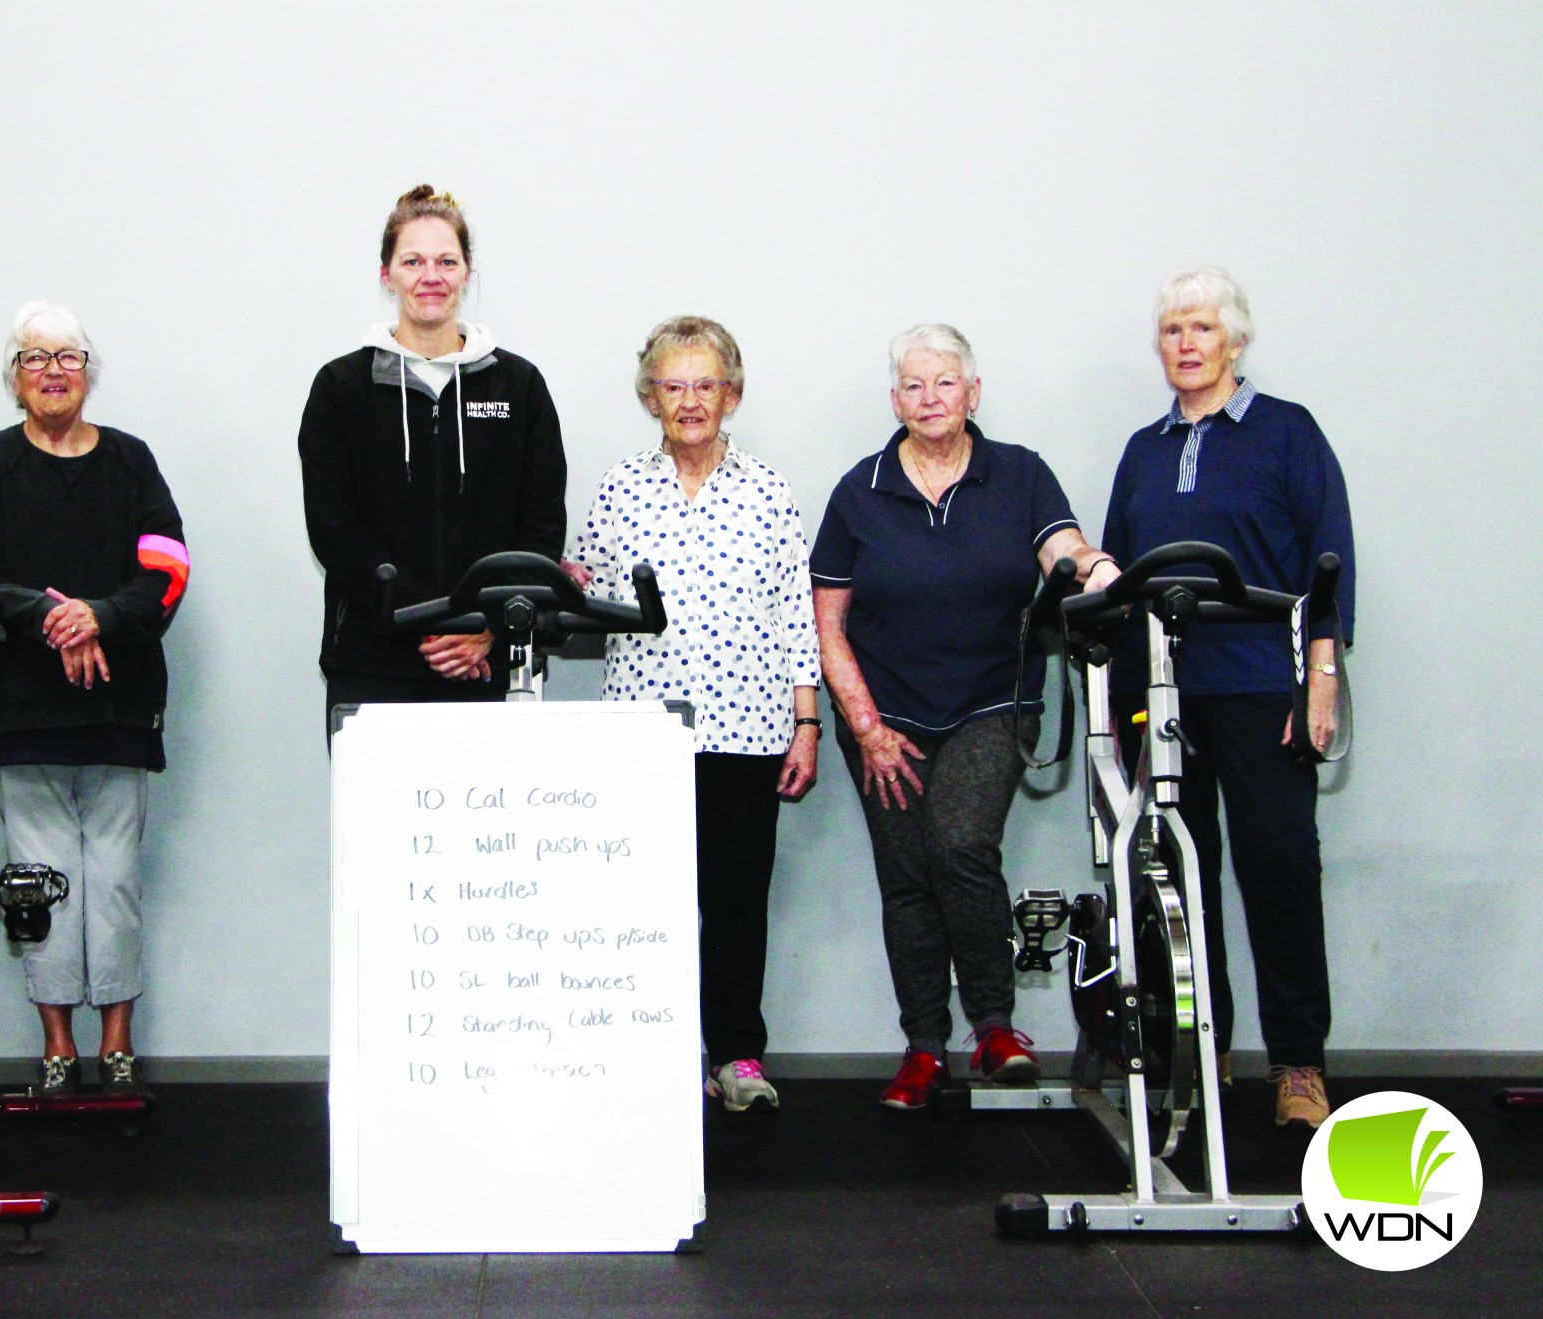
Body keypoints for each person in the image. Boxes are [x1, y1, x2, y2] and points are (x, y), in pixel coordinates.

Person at [811, 324, 1118, 1111]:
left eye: (945, 382)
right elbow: (827, 620)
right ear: (896, 400)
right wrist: (866, 726)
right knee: (907, 875)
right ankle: (922, 1047)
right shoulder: (860, 490)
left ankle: (993, 1025)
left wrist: (1094, 568)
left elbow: (1061, 546)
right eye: (914, 385)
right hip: (884, 713)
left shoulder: (1018, 474)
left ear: (972, 392)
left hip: (993, 698)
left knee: (959, 842)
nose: (930, 398)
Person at [1102, 266, 1354, 1130]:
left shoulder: (1286, 433)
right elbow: (1116, 575)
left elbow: (1330, 563)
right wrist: (1122, 705)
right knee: (1178, 878)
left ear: (1235, 341)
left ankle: (1298, 1068)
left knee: (1279, 869)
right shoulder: (1143, 449)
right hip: (1162, 696)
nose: (1184, 343)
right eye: (1172, 329)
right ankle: (1200, 1057)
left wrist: (1319, 682)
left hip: (1260, 686)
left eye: (1201, 328)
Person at [563, 316, 820, 1112]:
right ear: (651, 399)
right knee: (646, 903)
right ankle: (654, 1050)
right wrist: (569, 579)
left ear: (732, 394)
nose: (690, 401)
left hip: (748, 730)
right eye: (672, 386)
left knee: (737, 904)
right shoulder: (619, 487)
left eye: (705, 384)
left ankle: (736, 1056)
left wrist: (806, 723)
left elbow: (795, 616)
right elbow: (588, 595)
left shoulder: (768, 490)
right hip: (645, 731)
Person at [0, 302, 189, 1097]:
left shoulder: (132, 462)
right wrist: (48, 616)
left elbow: (168, 569)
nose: (52, 370)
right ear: (13, 378)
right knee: (36, 877)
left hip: (117, 707)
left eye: (68, 356)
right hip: (21, 710)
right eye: (34, 357)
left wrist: (100, 617)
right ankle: (54, 1044)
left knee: (113, 877)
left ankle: (116, 1040)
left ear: (89, 371)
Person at [299, 185, 568, 729]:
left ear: (469, 272)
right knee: (376, 819)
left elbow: (540, 527)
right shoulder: (340, 388)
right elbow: (334, 531)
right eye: (413, 261)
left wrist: (485, 626)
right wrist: (431, 621)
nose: (431, 276)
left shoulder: (520, 386)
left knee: (489, 817)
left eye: (447, 261)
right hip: (372, 665)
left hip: (486, 664)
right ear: (387, 274)